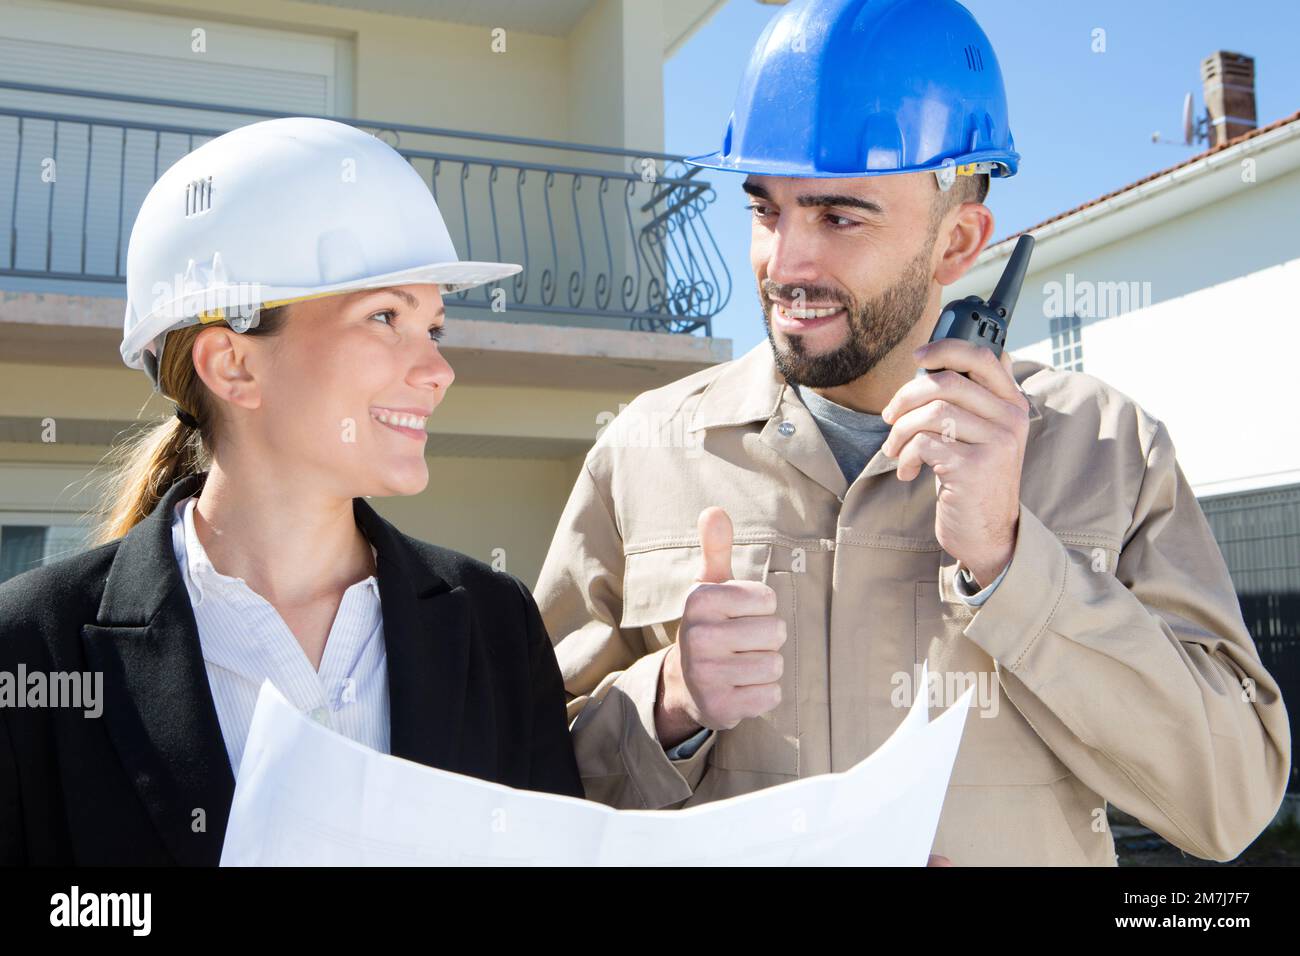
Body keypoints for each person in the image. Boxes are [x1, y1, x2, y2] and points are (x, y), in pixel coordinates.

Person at [534, 0, 1291, 865]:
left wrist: (1015, 567)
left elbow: (1230, 800)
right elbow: (521, 785)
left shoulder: (1109, 451)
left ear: (957, 242)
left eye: (839, 217)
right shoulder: (641, 451)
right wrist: (667, 703)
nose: (784, 264)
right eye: (766, 210)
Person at [0, 117, 581, 865]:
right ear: (232, 365)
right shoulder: (33, 650)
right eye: (384, 317)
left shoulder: (496, 626)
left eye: (433, 327)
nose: (438, 371)